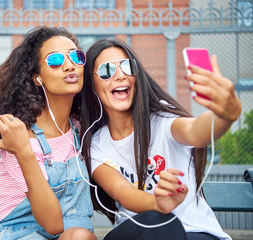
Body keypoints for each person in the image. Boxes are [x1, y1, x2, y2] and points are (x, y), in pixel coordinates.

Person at [0, 26, 96, 240]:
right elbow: (53, 225)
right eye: (56, 60)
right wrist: (23, 152)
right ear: (38, 77)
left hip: (72, 234)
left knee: (81, 235)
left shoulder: (80, 128)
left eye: (76, 57)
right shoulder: (19, 135)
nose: (69, 66)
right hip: (19, 234)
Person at [80, 39, 241, 240]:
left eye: (128, 66)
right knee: (156, 220)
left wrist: (225, 115)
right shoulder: (96, 145)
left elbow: (195, 131)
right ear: (92, 85)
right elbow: (122, 191)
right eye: (106, 70)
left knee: (164, 222)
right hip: (138, 232)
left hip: (194, 233)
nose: (120, 75)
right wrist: (156, 203)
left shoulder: (162, 121)